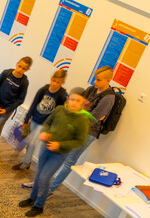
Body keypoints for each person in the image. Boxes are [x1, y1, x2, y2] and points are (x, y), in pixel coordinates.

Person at [45, 65, 117, 194]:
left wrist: (80, 114)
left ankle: (51, 189)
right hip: (72, 127)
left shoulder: (109, 98)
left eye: (99, 80)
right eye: (95, 78)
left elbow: (93, 118)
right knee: (57, 155)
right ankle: (43, 182)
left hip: (88, 133)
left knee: (69, 161)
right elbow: (77, 107)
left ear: (108, 81)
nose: (95, 82)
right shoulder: (90, 90)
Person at [18, 87, 89, 217]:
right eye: (72, 99)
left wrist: (60, 145)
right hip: (45, 147)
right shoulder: (59, 110)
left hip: (59, 154)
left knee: (44, 178)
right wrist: (45, 132)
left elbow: (79, 141)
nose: (74, 103)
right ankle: (32, 198)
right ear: (68, 98)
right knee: (38, 174)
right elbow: (47, 123)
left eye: (78, 101)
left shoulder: (83, 119)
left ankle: (39, 206)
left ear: (83, 102)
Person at [14, 69, 68, 171]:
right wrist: (26, 120)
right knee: (29, 142)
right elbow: (34, 104)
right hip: (35, 119)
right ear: (51, 79)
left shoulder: (63, 96)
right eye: (54, 80)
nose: (55, 84)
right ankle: (27, 162)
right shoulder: (43, 90)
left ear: (63, 83)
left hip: (46, 125)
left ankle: (25, 164)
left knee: (33, 143)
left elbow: (60, 114)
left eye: (58, 82)